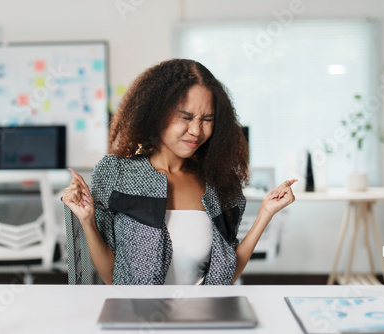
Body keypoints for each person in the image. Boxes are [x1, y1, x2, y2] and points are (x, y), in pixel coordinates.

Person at [62, 59, 296, 285]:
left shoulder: (221, 185)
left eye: (207, 119)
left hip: (199, 319)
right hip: (136, 319)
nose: (196, 130)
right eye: (185, 117)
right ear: (157, 113)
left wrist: (266, 212)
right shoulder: (116, 173)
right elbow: (112, 278)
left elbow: (223, 278)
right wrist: (88, 221)